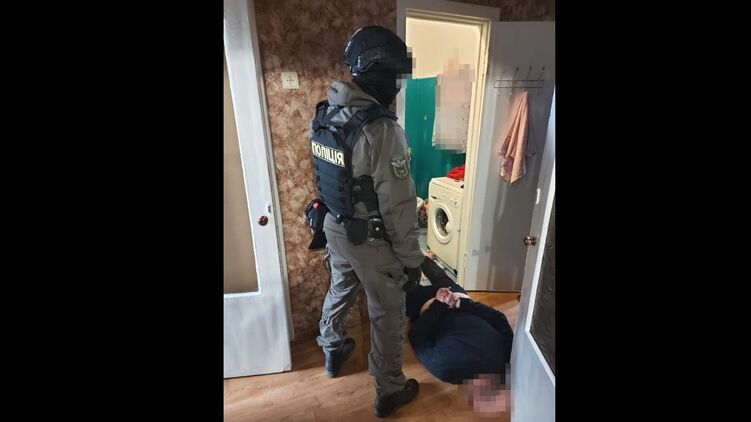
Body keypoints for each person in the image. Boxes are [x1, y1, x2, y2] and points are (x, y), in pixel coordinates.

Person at [310, 26, 423, 418]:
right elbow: (399, 205)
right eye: (395, 75)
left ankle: (331, 348)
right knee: (387, 311)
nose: (397, 85)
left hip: (334, 225)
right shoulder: (382, 128)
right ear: (380, 72)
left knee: (341, 287)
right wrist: (412, 261)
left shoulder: (324, 114)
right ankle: (389, 390)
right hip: (370, 239)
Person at [406, 253, 514, 411]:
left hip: (431, 303)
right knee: (435, 276)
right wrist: (457, 303)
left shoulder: (447, 369)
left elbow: (417, 335)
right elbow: (498, 318)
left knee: (413, 282)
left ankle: (417, 257)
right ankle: (417, 257)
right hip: (453, 298)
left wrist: (441, 304)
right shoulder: (508, 356)